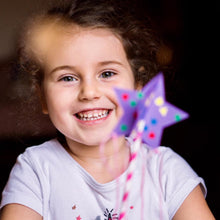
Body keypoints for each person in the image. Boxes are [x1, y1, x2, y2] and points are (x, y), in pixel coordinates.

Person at [0, 0, 215, 219]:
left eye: (107, 73)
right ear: (43, 98)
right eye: (68, 77)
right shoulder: (36, 169)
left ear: (138, 88)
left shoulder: (165, 171)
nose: (89, 92)